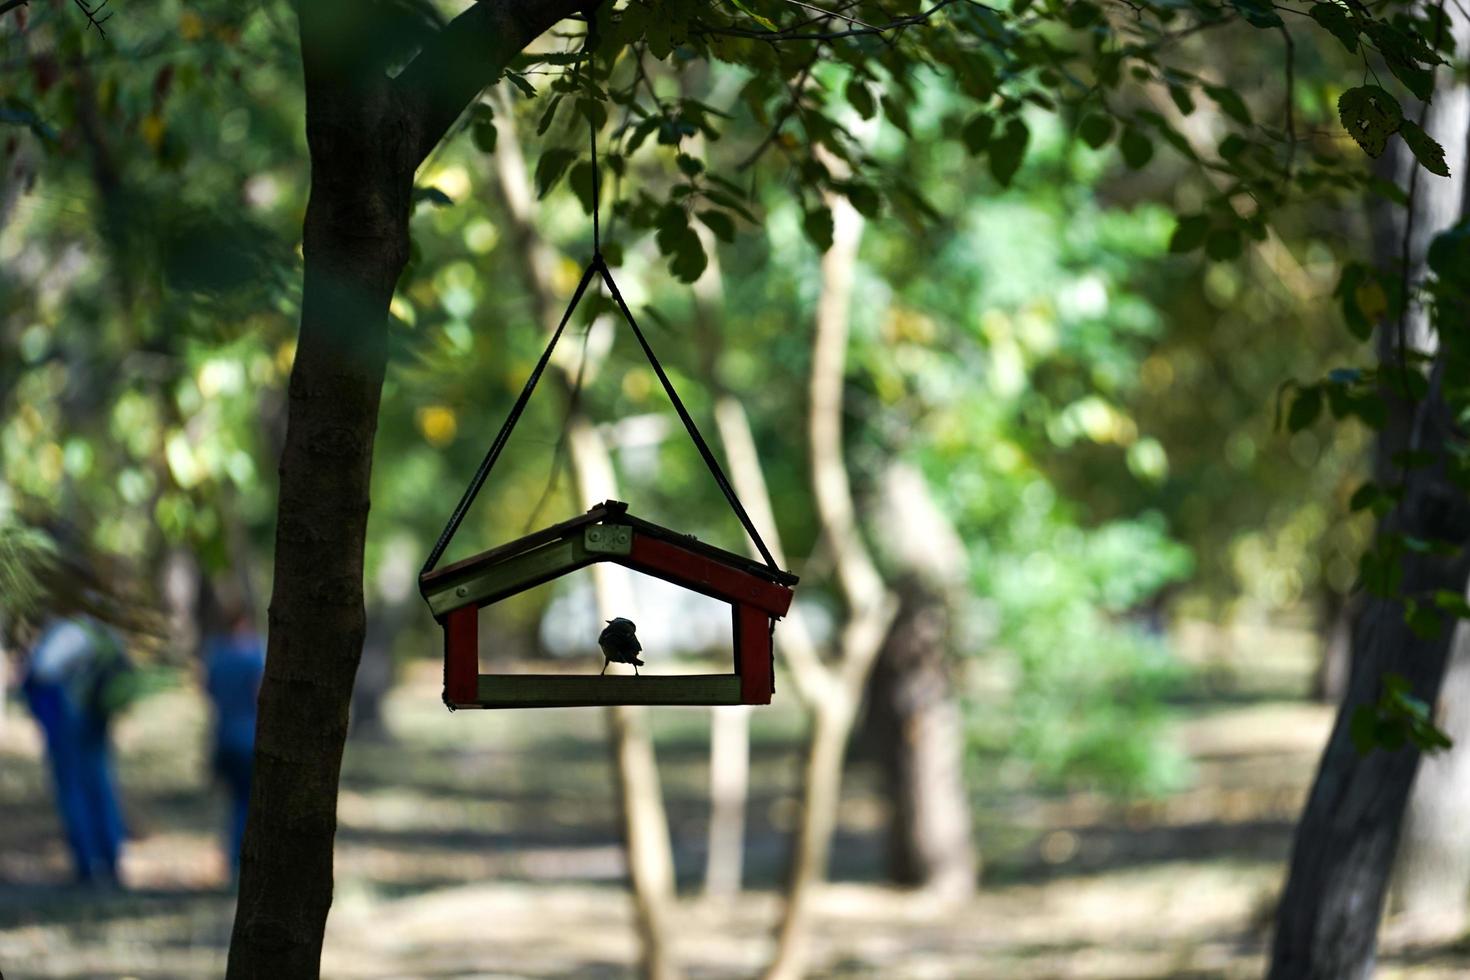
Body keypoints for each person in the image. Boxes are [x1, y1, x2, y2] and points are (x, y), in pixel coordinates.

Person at [201, 599, 264, 877]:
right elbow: (259, 694)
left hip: (223, 737)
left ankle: (232, 859)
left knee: (235, 802)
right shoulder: (254, 656)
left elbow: (209, 692)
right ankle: (242, 862)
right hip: (250, 738)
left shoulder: (216, 655)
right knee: (249, 803)